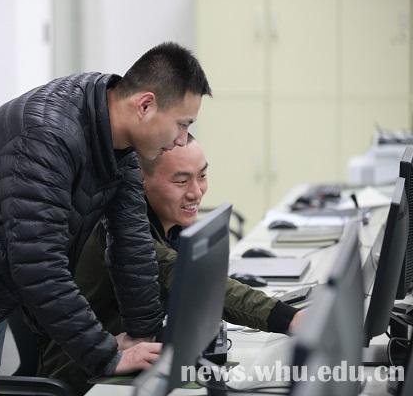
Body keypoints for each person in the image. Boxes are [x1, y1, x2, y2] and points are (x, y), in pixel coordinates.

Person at [0, 42, 211, 395]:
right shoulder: (47, 136)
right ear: (145, 105)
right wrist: (105, 355)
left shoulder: (116, 139)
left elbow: (131, 244)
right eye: (182, 125)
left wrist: (144, 337)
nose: (181, 140)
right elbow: (39, 264)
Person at [36, 135, 304, 395]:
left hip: (129, 359)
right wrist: (289, 318)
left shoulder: (169, 226)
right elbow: (195, 282)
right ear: (140, 181)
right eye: (181, 181)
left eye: (202, 175)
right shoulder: (123, 234)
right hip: (81, 374)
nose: (196, 192)